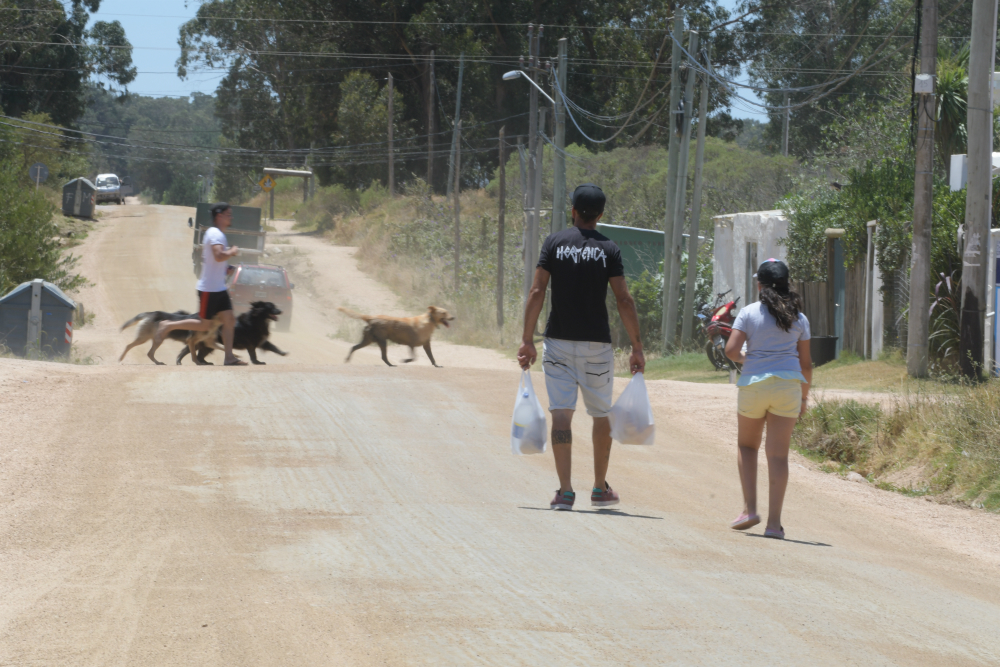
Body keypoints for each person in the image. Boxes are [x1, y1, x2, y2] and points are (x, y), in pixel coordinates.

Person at [517, 184, 645, 511]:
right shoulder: (609, 249)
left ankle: (565, 492)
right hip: (596, 347)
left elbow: (537, 291)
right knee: (601, 416)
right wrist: (636, 346)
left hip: (558, 343)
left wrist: (527, 339)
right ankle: (599, 488)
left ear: (572, 211)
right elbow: (623, 299)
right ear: (600, 215)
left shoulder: (554, 243)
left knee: (562, 415)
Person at [724, 259, 812, 540]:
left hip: (754, 385)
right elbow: (806, 364)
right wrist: (803, 399)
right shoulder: (799, 318)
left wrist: (747, 359)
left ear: (759, 285)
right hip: (788, 387)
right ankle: (774, 524)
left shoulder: (748, 313)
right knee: (778, 455)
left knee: (747, 446)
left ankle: (750, 510)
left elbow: (731, 351)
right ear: (787, 284)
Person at [152, 202, 246, 366]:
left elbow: (215, 262)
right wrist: (232, 251)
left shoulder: (217, 234)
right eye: (228, 214)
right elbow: (218, 256)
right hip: (209, 289)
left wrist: (226, 268)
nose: (231, 217)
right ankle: (168, 325)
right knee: (204, 325)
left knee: (229, 320)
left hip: (219, 288)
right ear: (219, 216)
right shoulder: (215, 234)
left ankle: (229, 357)